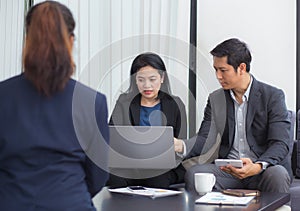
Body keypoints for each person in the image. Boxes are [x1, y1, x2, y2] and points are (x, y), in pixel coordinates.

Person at [0, 1, 109, 210]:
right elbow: (98, 176)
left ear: (27, 40)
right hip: (71, 204)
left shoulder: (2, 96)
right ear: (70, 41)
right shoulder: (93, 101)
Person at [175, 38, 292, 193]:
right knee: (195, 173)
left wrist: (257, 166)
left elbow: (280, 144)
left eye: (223, 70)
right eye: (215, 70)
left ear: (241, 68)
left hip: (262, 169)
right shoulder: (216, 99)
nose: (218, 76)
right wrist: (180, 145)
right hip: (229, 170)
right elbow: (205, 139)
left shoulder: (273, 96)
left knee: (277, 173)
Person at [106, 52, 187, 188]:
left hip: (161, 168)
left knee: (158, 180)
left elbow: (181, 141)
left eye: (152, 79)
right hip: (128, 166)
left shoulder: (175, 104)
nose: (147, 85)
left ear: (162, 78)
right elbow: (113, 137)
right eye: (141, 79)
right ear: (135, 80)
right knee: (115, 179)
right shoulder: (124, 102)